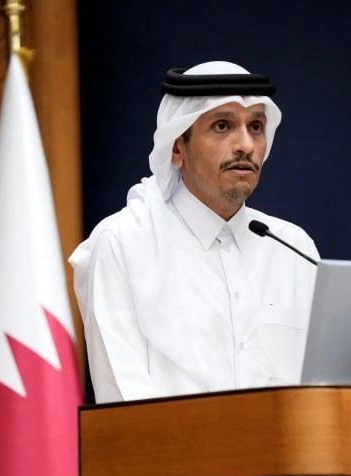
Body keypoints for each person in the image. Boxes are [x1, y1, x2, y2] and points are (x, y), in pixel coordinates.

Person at [69, 61, 318, 403]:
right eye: (222, 125)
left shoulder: (294, 247)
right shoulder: (124, 242)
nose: (245, 144)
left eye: (256, 126)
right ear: (177, 148)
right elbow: (124, 407)